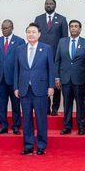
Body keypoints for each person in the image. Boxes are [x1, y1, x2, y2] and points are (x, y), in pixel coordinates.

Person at [14, 23, 55, 155]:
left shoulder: (46, 48)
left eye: (33, 32)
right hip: (24, 88)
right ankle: (28, 146)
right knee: (26, 119)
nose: (31, 34)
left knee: (41, 118)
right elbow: (16, 69)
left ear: (39, 34)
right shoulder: (20, 49)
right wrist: (16, 87)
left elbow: (51, 69)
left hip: (41, 89)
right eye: (29, 32)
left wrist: (51, 86)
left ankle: (41, 145)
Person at [55, 19, 85, 135]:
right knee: (67, 104)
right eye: (71, 26)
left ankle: (81, 127)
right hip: (65, 79)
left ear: (80, 29)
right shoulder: (62, 42)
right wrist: (57, 77)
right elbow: (57, 60)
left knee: (80, 104)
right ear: (69, 29)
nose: (73, 28)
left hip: (80, 79)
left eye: (76, 26)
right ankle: (67, 126)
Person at [34, 0, 68, 114]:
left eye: (51, 4)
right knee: (44, 81)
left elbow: (64, 39)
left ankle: (55, 108)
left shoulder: (62, 19)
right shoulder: (38, 19)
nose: (49, 5)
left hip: (56, 56)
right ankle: (46, 106)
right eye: (47, 4)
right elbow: (35, 36)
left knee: (56, 82)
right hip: (41, 55)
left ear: (55, 6)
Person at [0, 19, 22, 135]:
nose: (4, 30)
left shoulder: (20, 41)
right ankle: (3, 126)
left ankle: (16, 126)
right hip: (0, 78)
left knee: (16, 104)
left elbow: (21, 61)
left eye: (6, 28)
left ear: (12, 28)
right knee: (1, 104)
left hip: (14, 79)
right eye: (2, 28)